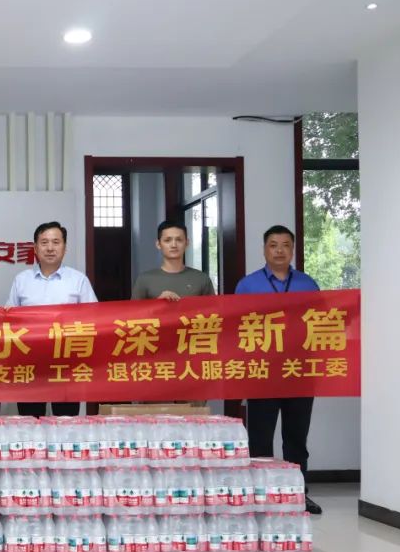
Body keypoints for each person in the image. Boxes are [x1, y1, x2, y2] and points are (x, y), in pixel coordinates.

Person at [236, 224, 322, 515]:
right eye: (273, 245)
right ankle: (261, 495)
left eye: (286, 245)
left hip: (299, 372)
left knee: (296, 439)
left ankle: (298, 494)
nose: (280, 251)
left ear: (293, 250)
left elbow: (321, 323)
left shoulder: (307, 284)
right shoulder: (247, 285)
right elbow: (235, 327)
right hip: (262, 373)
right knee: (260, 438)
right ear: (264, 249)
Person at [7, 221, 97, 418]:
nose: (50, 248)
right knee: (30, 420)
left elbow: (94, 319)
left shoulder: (78, 280)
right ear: (35, 248)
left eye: (56, 242)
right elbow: (9, 321)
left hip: (66, 363)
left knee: (66, 421)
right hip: (29, 363)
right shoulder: (22, 280)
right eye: (44, 242)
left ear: (65, 247)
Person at [132, 220, 216, 301]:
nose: (173, 245)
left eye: (179, 240)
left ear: (187, 243)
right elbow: (134, 310)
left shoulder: (202, 279)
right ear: (158, 244)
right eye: (167, 240)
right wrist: (158, 303)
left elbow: (214, 309)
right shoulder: (144, 280)